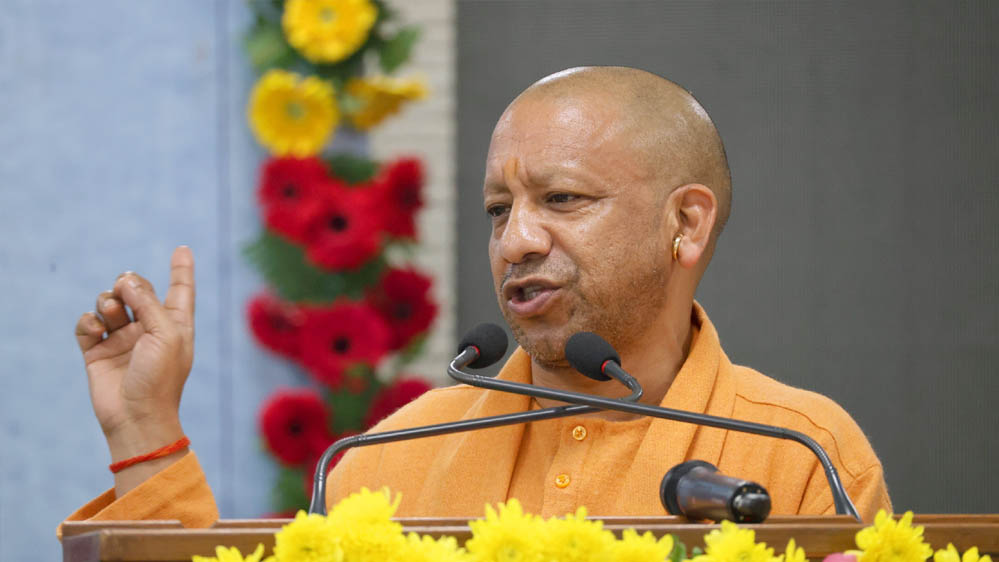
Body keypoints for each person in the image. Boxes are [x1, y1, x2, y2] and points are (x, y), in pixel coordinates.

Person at [65, 67, 890, 531]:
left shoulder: (797, 455)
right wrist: (145, 433)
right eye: (498, 210)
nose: (515, 240)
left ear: (685, 223)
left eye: (561, 200)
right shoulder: (388, 460)